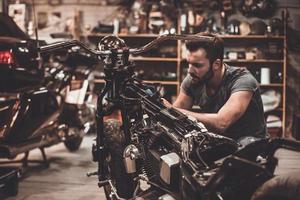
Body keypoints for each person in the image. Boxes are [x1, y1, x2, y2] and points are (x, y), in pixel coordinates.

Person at [163, 32, 267, 141]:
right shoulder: (193, 80)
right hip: (220, 141)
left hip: (252, 144)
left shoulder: (243, 80)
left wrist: (171, 109)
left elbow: (222, 123)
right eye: (189, 63)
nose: (190, 70)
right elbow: (176, 114)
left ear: (216, 64)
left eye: (197, 65)